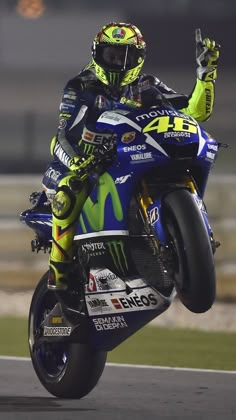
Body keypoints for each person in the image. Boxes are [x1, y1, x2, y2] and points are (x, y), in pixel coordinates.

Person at [42, 22, 220, 291]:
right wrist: (76, 161)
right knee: (69, 191)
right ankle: (59, 270)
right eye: (111, 55)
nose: (118, 63)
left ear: (139, 59)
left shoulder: (148, 85)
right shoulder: (80, 85)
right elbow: (63, 133)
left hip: (128, 154)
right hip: (85, 158)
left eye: (127, 56)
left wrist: (205, 76)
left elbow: (193, 113)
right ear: (97, 54)